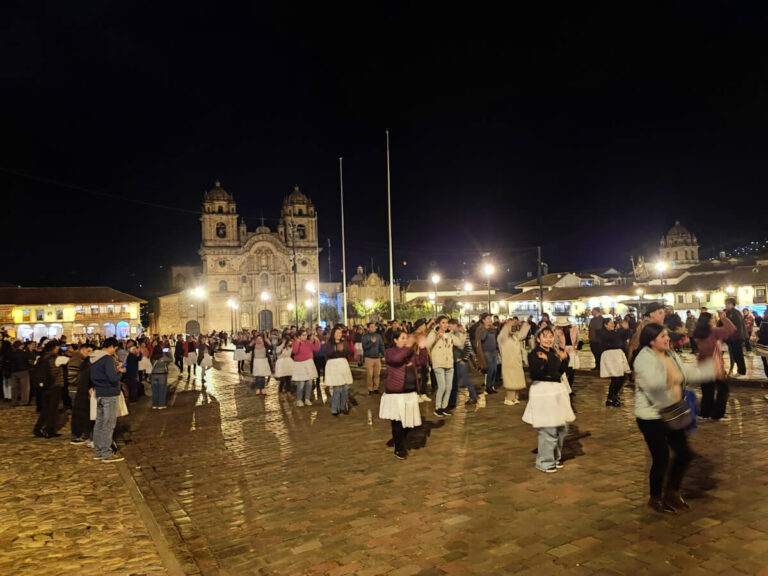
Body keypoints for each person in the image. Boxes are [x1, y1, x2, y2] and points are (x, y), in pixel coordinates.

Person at [632, 323, 715, 513]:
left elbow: (686, 373)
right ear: (651, 341)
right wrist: (672, 378)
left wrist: (710, 370)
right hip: (651, 416)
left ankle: (673, 492)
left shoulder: (670, 355)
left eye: (666, 335)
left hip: (673, 411)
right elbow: (653, 387)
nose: (667, 338)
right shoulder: (644, 359)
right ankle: (655, 498)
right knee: (661, 457)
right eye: (662, 336)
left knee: (684, 454)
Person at [522, 327, 574, 473]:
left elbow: (559, 372)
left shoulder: (553, 352)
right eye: (545, 337)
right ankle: (544, 461)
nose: (548, 339)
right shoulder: (535, 354)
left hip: (557, 391)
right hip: (543, 393)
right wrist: (547, 361)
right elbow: (537, 374)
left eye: (550, 336)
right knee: (548, 428)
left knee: (562, 427)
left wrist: (564, 359)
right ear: (538, 339)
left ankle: (556, 457)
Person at [380, 329, 428, 459]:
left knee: (409, 422)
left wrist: (423, 348)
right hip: (396, 393)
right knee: (397, 422)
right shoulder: (390, 352)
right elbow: (397, 359)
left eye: (406, 338)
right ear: (395, 340)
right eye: (402, 338)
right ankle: (399, 448)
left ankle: (400, 440)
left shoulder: (409, 353)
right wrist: (411, 346)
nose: (405, 340)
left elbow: (421, 361)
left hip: (409, 391)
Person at [693, 311, 735, 421]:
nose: (714, 319)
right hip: (713, 364)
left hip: (703, 363)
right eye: (712, 318)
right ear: (708, 321)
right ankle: (717, 413)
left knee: (707, 390)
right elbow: (731, 329)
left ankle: (705, 413)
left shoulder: (699, 332)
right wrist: (724, 318)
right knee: (723, 389)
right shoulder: (713, 331)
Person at [90, 338, 127, 462]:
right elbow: (112, 378)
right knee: (109, 424)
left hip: (99, 392)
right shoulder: (107, 359)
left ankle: (98, 451)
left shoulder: (93, 357)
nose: (114, 352)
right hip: (109, 393)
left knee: (99, 423)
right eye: (114, 349)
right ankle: (106, 453)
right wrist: (119, 372)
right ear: (111, 347)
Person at [426, 315, 464, 417]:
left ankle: (444, 407)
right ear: (438, 324)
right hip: (438, 363)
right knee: (442, 387)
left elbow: (460, 343)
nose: (446, 325)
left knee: (449, 387)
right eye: (443, 322)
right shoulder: (433, 333)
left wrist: (460, 332)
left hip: (449, 364)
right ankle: (437, 408)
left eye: (447, 322)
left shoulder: (450, 335)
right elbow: (427, 345)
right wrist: (436, 336)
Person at [32, 340, 65, 438]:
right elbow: (55, 371)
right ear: (54, 348)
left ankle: (38, 429)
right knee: (52, 409)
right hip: (54, 386)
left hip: (45, 387)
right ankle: (48, 429)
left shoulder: (41, 357)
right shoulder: (55, 358)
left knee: (46, 409)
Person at [498, 317, 530, 406]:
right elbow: (504, 332)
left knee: (516, 381)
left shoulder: (514, 336)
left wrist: (524, 326)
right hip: (508, 363)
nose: (513, 328)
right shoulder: (502, 337)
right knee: (510, 382)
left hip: (516, 362)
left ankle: (514, 397)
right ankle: (508, 398)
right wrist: (508, 325)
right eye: (511, 326)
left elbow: (522, 335)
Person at [599, 317, 631, 407]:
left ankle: (612, 396)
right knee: (616, 377)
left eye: (612, 322)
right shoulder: (603, 333)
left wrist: (625, 329)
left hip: (617, 354)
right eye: (610, 323)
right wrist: (621, 329)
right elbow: (613, 338)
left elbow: (624, 336)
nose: (612, 324)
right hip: (610, 356)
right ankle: (613, 397)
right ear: (605, 325)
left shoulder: (615, 332)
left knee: (623, 376)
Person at [325, 325, 354, 416]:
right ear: (333, 334)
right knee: (336, 388)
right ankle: (334, 408)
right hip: (333, 366)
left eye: (340, 333)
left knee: (345, 387)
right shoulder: (329, 343)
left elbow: (349, 352)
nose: (339, 334)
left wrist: (345, 350)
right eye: (337, 333)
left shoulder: (344, 342)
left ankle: (343, 406)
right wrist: (336, 349)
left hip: (343, 365)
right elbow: (328, 354)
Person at [68, 343, 93, 443]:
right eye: (88, 351)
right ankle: (77, 435)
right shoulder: (77, 359)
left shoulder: (80, 359)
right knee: (79, 414)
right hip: (75, 389)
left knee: (82, 413)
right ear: (82, 350)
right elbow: (71, 377)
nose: (90, 354)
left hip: (78, 389)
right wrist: (82, 382)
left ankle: (81, 435)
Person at [450, 319, 478, 406]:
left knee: (465, 379)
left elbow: (468, 348)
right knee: (457, 380)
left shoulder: (464, 335)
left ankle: (473, 396)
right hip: (455, 360)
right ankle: (453, 399)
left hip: (461, 361)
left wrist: (464, 359)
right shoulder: (453, 334)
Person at [292, 330, 320, 406]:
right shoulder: (296, 343)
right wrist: (297, 342)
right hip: (300, 364)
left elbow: (316, 349)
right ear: (299, 336)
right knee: (301, 383)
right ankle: (299, 399)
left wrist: (316, 340)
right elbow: (295, 351)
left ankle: (307, 398)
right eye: (303, 335)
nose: (305, 336)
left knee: (309, 382)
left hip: (309, 363)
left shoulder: (308, 343)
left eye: (306, 335)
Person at [474, 313, 499, 394]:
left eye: (490, 318)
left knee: (495, 369)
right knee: (491, 369)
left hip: (494, 351)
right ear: (483, 320)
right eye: (488, 319)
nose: (490, 320)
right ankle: (488, 387)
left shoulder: (493, 329)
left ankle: (492, 385)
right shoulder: (480, 329)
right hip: (487, 352)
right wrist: (486, 329)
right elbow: (482, 338)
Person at [724, 298, 747, 378]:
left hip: (736, 337)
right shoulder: (729, 312)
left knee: (738, 354)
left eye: (727, 304)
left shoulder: (734, 313)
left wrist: (737, 336)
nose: (726, 305)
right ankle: (740, 370)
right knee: (735, 354)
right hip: (733, 337)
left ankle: (741, 371)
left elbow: (738, 326)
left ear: (732, 304)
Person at [362, 322, 385, 395]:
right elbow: (365, 347)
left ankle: (376, 388)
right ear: (368, 328)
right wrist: (371, 342)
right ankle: (370, 388)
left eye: (374, 327)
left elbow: (381, 345)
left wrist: (384, 354)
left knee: (377, 374)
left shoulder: (378, 336)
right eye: (371, 327)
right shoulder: (365, 337)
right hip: (369, 358)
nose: (373, 328)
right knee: (369, 374)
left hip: (377, 358)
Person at [9, 340, 33, 407]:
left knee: (14, 388)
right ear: (20, 346)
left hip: (13, 372)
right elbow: (28, 360)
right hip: (23, 371)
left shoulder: (11, 353)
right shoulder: (23, 353)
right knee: (25, 388)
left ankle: (14, 401)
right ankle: (24, 401)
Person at [149, 343, 173, 409]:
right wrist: (168, 352)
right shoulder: (163, 357)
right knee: (162, 390)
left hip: (154, 375)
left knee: (155, 390)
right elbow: (171, 359)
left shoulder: (152, 357)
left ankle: (154, 404)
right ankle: (161, 404)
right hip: (162, 375)